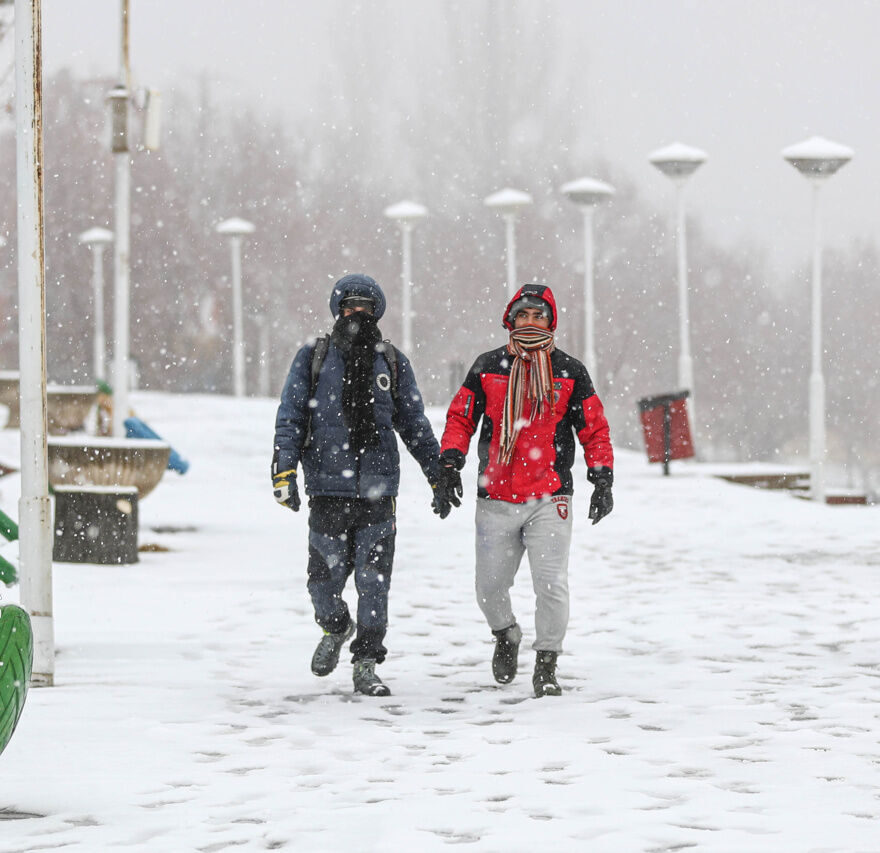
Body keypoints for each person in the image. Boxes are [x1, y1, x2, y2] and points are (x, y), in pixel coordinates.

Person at [273, 273, 452, 697]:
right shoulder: (312, 358)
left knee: (374, 582)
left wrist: (437, 473)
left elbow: (414, 424)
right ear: (338, 310)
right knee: (323, 581)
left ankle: (367, 661)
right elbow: (291, 418)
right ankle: (335, 627)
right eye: (350, 306)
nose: (358, 314)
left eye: (366, 308)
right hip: (326, 489)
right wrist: (283, 472)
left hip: (378, 491)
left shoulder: (391, 362)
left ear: (377, 313)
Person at [435, 283, 614, 697]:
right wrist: (449, 462)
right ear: (509, 320)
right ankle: (506, 633)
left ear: (551, 321)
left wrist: (602, 476)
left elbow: (594, 427)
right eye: (523, 315)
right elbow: (460, 418)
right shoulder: (487, 366)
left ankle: (547, 663)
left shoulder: (570, 372)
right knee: (489, 588)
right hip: (495, 496)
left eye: (539, 315)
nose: (530, 322)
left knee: (551, 584)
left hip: (550, 496)